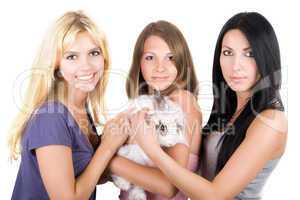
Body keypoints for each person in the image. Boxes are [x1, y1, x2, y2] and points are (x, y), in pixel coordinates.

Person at [131, 12, 288, 199]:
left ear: (266, 57)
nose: (236, 65)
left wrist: (152, 150)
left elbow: (215, 195)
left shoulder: (271, 120)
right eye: (228, 53)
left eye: (249, 54)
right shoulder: (228, 111)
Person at [9, 11, 129, 200]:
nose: (86, 65)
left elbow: (89, 173)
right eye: (72, 56)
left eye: (94, 53)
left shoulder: (81, 109)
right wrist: (107, 147)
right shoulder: (51, 118)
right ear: (56, 63)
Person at [109, 20, 202, 199]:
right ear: (139, 63)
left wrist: (111, 162)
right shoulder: (146, 105)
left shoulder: (183, 101)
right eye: (150, 57)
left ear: (182, 61)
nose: (160, 67)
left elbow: (168, 187)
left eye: (170, 57)